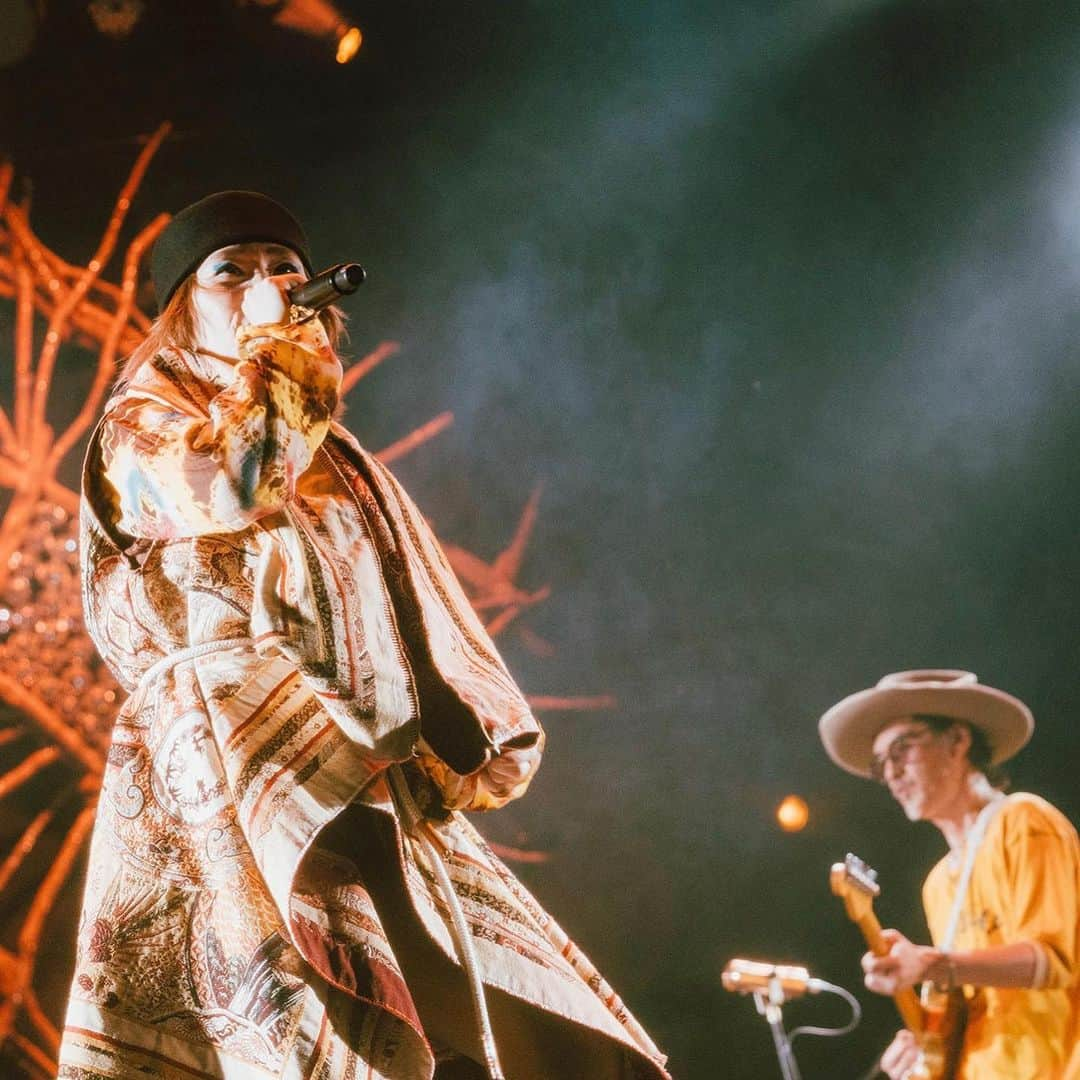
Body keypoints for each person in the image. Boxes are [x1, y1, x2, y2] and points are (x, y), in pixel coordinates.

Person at [58, 190, 669, 1080]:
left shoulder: (337, 457)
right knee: (301, 1002)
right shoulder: (137, 424)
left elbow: (389, 596)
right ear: (181, 304)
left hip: (351, 746)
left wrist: (442, 721)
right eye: (231, 272)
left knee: (452, 1002)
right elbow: (240, 476)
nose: (263, 287)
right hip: (228, 752)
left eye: (284, 274)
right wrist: (274, 344)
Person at [818, 669, 1080, 1080]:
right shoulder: (938, 882)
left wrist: (929, 963)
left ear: (958, 740)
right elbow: (965, 1007)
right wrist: (920, 1048)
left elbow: (1052, 961)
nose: (891, 773)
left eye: (902, 749)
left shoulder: (1024, 821)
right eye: (881, 763)